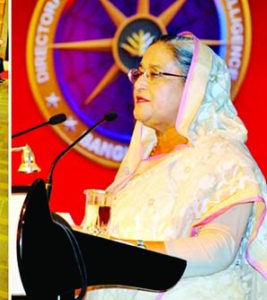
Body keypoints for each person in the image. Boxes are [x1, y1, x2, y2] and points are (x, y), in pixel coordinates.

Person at [90, 34, 267, 299]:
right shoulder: (140, 165)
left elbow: (219, 247)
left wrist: (127, 253)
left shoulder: (224, 156)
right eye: (139, 73)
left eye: (155, 73)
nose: (139, 83)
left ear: (194, 85)